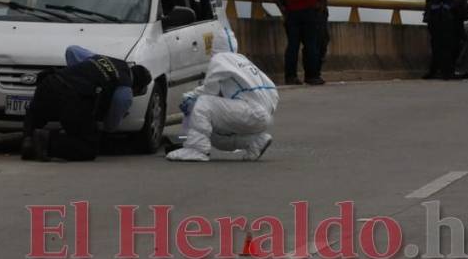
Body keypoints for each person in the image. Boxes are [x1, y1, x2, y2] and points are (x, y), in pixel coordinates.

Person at [166, 26, 279, 162]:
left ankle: (196, 149)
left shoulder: (219, 59)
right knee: (213, 133)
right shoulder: (242, 60)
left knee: (203, 104)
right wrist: (193, 94)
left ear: (215, 45)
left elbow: (210, 92)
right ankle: (255, 142)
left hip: (251, 111)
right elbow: (272, 89)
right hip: (264, 114)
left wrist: (192, 101)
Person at [21, 46, 152, 161]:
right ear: (138, 87)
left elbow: (72, 50)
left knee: (37, 113)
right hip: (71, 99)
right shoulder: (125, 88)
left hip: (50, 82)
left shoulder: (105, 59)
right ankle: (45, 142)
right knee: (87, 147)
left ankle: (27, 138)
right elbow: (110, 126)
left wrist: (78, 75)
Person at [269, 0, 328, 86]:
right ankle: (312, 77)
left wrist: (282, 8)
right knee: (311, 45)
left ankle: (290, 77)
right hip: (309, 13)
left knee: (292, 46)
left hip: (291, 14)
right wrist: (322, 5)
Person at [423, 0, 467, 80]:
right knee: (435, 44)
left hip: (444, 16)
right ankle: (434, 71)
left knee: (445, 45)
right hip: (436, 16)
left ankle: (447, 72)